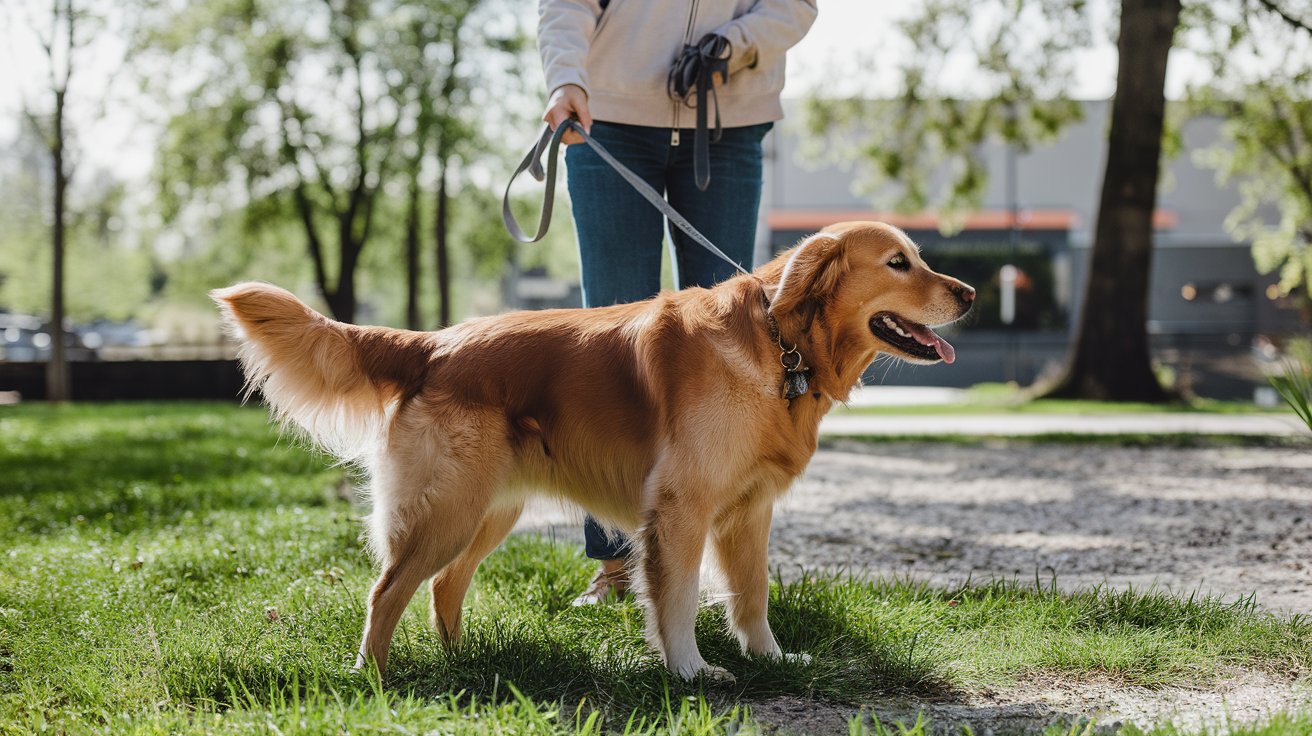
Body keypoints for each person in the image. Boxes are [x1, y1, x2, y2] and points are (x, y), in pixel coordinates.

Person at [537, 0, 817, 605]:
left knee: (737, 341)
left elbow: (794, 6)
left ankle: (728, 573)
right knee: (609, 344)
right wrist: (565, 77)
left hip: (730, 120)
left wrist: (731, 45)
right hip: (609, 117)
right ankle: (614, 564)